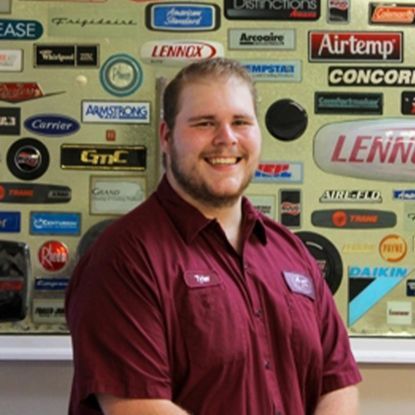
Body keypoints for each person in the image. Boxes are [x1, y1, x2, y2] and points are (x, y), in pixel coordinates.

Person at [65, 57, 362, 415]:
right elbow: (137, 407)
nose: (226, 138)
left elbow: (338, 383)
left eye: (240, 122)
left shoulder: (291, 252)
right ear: (166, 136)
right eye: (204, 123)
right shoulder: (123, 258)